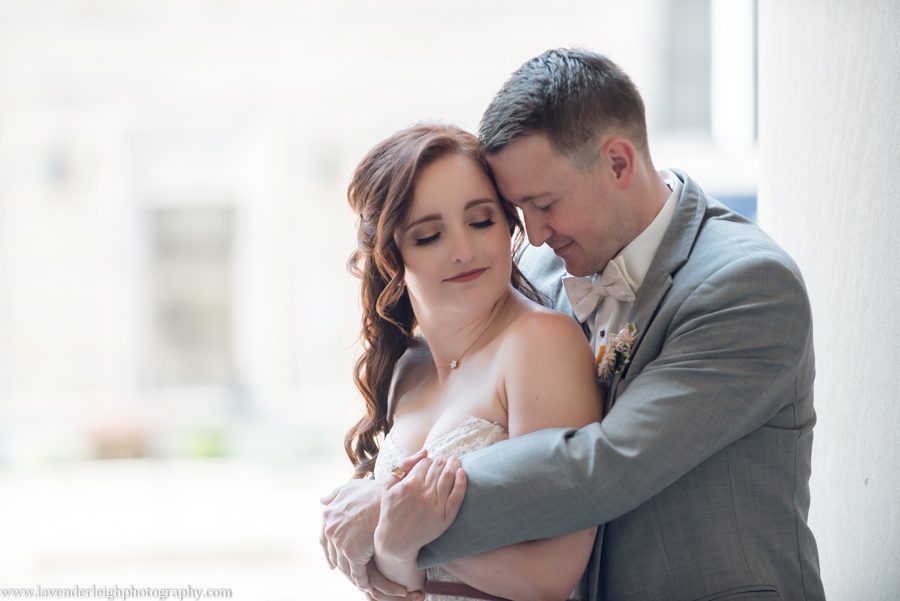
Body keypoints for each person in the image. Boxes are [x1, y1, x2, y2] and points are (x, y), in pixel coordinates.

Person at [323, 48, 826, 601]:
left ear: (617, 162)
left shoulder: (746, 285)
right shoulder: (542, 269)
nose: (532, 236)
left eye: (543, 203)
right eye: (519, 210)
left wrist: (395, 506)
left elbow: (608, 465)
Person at [327, 123, 603, 601]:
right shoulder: (407, 369)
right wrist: (394, 546)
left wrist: (391, 525)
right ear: (392, 257)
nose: (464, 251)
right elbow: (402, 581)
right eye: (430, 235)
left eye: (481, 222)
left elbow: (552, 576)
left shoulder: (539, 343)